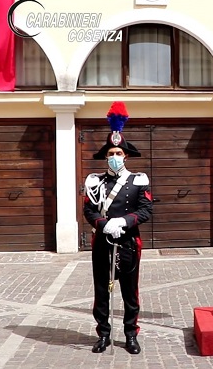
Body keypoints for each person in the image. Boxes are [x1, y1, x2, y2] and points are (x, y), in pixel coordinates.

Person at [83, 102, 153, 354]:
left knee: (129, 290)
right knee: (102, 289)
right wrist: (103, 224)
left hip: (128, 242)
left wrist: (123, 221)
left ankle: (131, 334)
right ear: (105, 156)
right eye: (110, 153)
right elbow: (89, 210)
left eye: (118, 153)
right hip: (102, 241)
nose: (114, 157)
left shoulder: (138, 180)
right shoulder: (94, 181)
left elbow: (146, 210)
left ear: (126, 156)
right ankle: (103, 334)